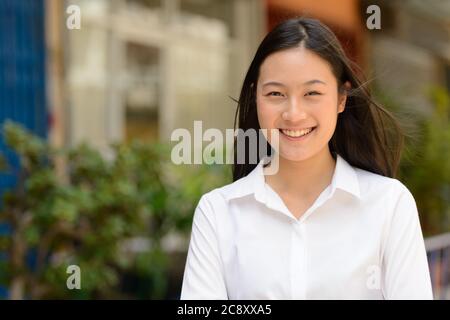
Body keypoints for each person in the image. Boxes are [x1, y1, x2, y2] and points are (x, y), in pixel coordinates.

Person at [180, 17, 433, 299]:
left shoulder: (389, 205)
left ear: (341, 98)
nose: (294, 114)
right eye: (276, 93)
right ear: (255, 98)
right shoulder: (218, 213)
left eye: (312, 93)